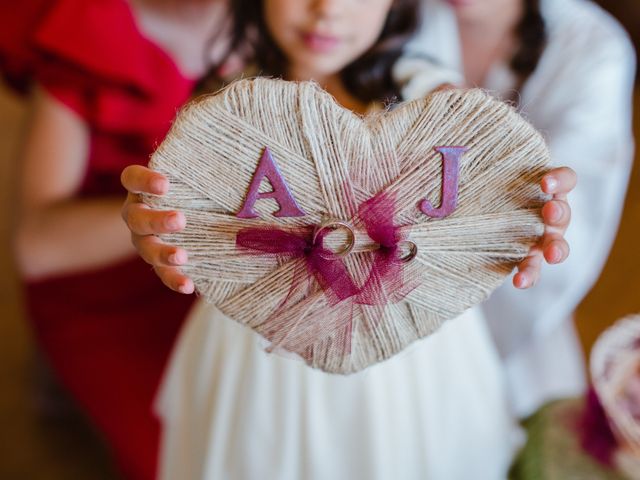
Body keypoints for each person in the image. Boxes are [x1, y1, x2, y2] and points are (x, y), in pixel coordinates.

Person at [121, 0, 576, 478]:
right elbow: (193, 221)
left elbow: (484, 182)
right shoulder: (224, 109)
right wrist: (161, 224)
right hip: (257, 341)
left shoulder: (429, 97)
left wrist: (521, 211)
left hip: (410, 338)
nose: (327, 11)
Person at [0, 0, 229, 478]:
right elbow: (36, 246)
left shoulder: (292, 23)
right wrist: (193, 206)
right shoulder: (93, 36)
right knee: (180, 453)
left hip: (218, 280)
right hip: (105, 288)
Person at [396, 0, 636, 417]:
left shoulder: (595, 46)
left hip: (511, 307)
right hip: (376, 283)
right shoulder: (385, 13)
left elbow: (573, 207)